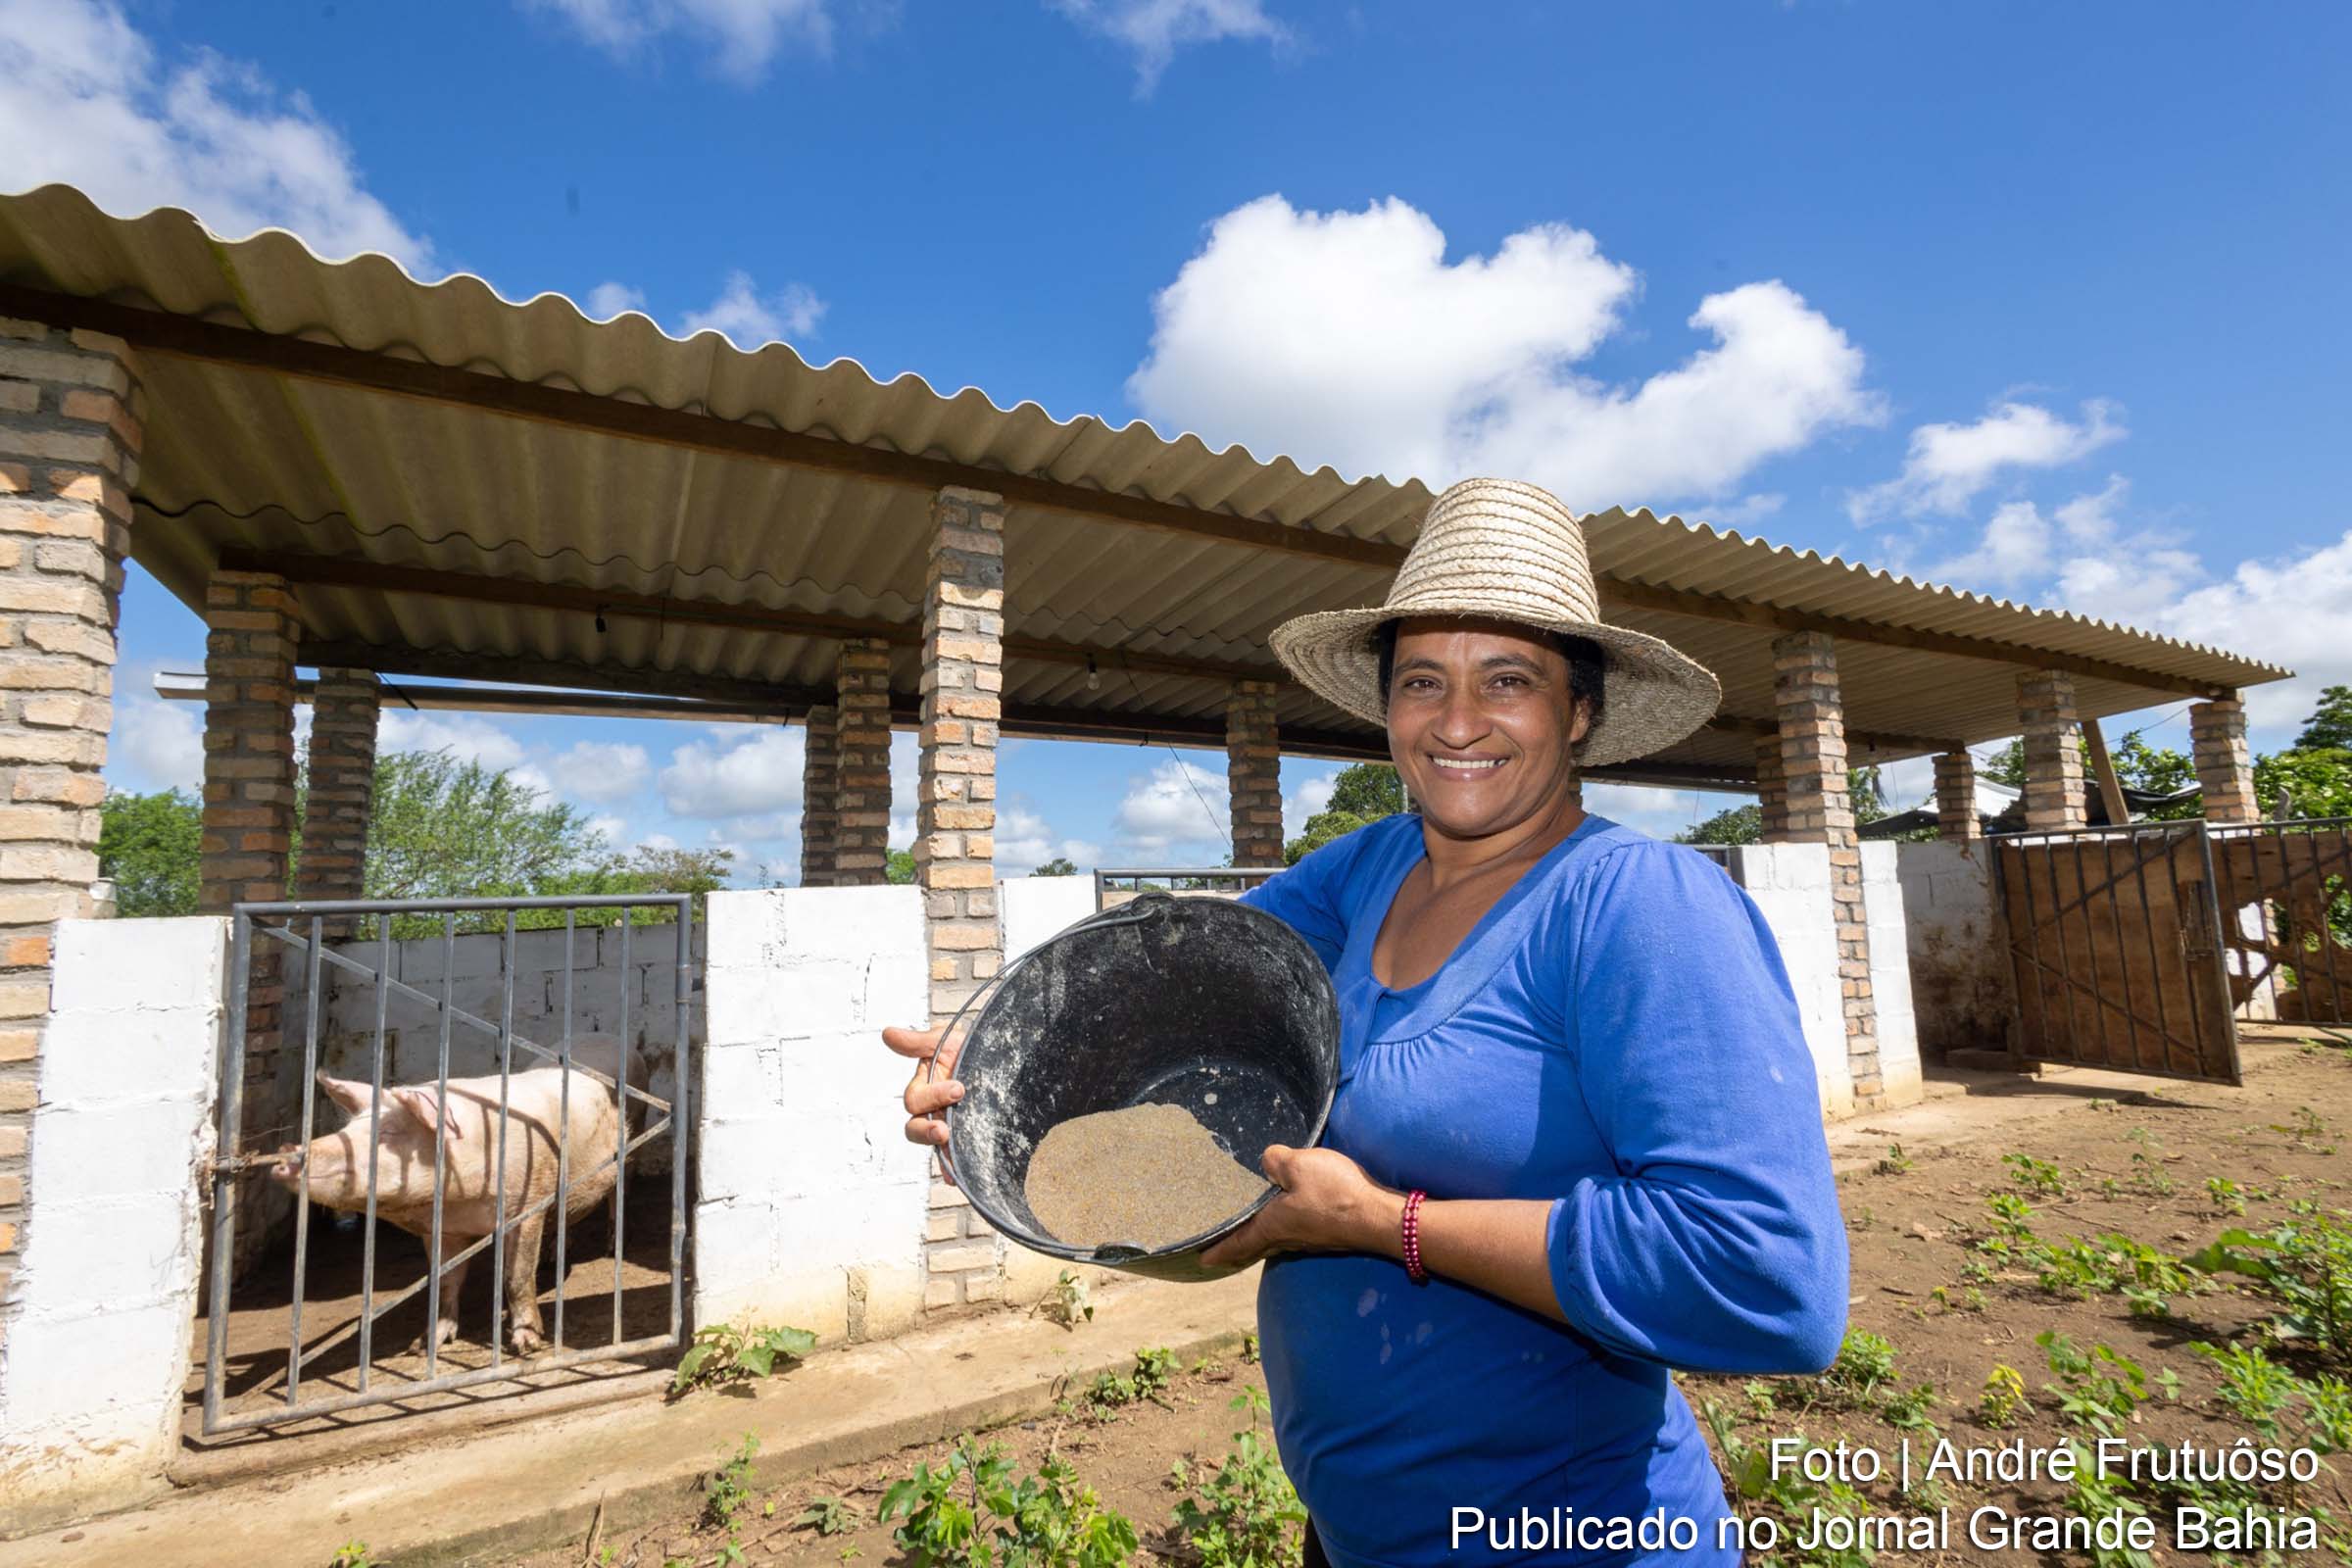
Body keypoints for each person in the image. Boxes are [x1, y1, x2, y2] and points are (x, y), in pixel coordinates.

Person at [886, 477, 1848, 1567]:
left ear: (1580, 713)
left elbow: (1769, 1281)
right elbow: (1163, 990)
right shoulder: (1365, 870)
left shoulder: (1637, 907)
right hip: (1355, 1538)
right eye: (1422, 681)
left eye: (1509, 680)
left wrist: (1385, 1222)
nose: (1457, 720)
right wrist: (1001, 1068)